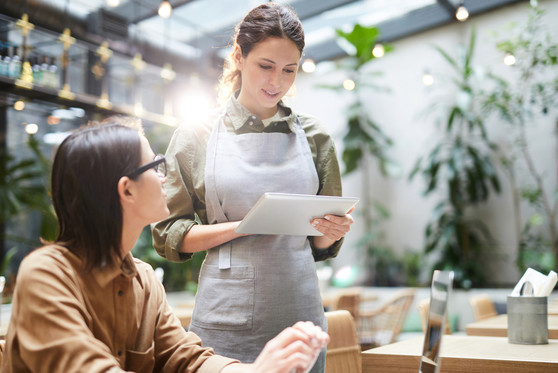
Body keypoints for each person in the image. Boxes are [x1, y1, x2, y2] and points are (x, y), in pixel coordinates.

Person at [1, 121, 329, 373]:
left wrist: (254, 369)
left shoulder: (142, 279)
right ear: (127, 190)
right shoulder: (46, 274)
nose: (164, 178)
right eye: (154, 167)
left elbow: (186, 359)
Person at [151, 3, 354, 372]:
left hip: (301, 317)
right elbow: (167, 234)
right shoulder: (195, 135)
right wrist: (246, 226)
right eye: (266, 66)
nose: (277, 82)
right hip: (224, 320)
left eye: (289, 70)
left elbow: (319, 243)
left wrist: (332, 231)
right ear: (239, 56)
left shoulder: (315, 136)